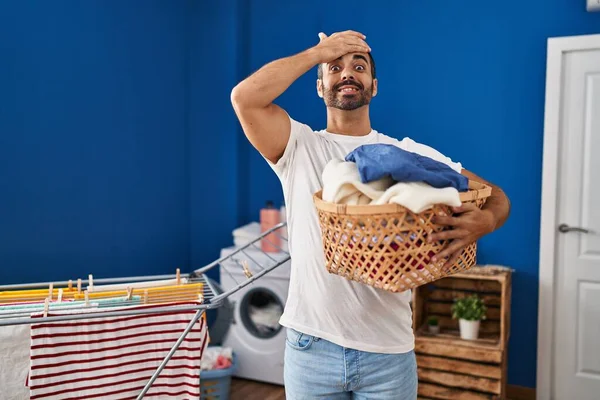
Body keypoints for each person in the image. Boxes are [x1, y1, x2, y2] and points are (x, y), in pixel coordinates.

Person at [230, 30, 510, 399]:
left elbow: (497, 197)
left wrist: (485, 221)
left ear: (373, 87)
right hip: (311, 348)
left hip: (387, 354)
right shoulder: (297, 146)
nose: (347, 74)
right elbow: (245, 98)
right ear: (320, 86)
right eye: (335, 68)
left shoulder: (405, 155)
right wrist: (318, 52)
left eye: (358, 67)